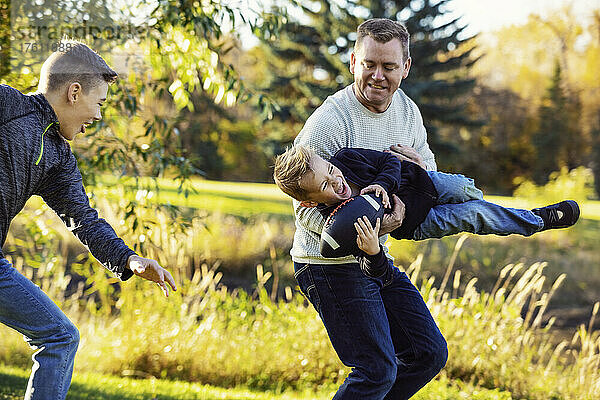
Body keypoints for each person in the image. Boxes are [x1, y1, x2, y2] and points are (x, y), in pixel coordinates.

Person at [0, 40, 177, 400]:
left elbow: (85, 220)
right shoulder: (7, 105)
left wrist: (129, 258)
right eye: (99, 104)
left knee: (60, 336)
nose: (97, 116)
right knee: (59, 336)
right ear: (74, 92)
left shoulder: (59, 159)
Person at [289, 18, 446, 400]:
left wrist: (419, 173)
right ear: (353, 62)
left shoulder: (408, 113)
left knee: (428, 353)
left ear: (405, 67)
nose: (378, 76)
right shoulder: (328, 123)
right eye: (369, 64)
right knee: (376, 369)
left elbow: (431, 174)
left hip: (375, 256)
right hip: (326, 264)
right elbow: (302, 208)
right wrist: (356, 227)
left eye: (389, 67)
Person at [273, 145, 580, 278]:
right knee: (473, 214)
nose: (335, 180)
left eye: (329, 170)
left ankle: (498, 213)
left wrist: (383, 184)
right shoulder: (339, 222)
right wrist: (373, 245)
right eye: (325, 185)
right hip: (418, 222)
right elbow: (373, 268)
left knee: (467, 192)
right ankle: (538, 220)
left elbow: (388, 162)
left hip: (423, 180)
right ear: (310, 202)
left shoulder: (346, 159)